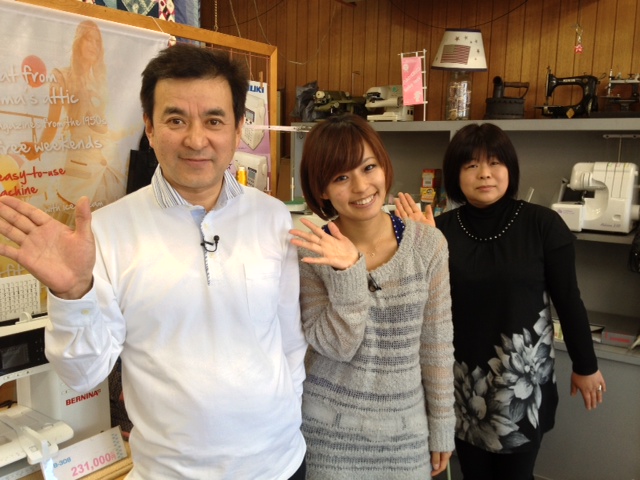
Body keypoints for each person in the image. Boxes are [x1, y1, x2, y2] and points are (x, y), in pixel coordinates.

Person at [0, 44, 307, 479]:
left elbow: (290, 342)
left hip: (279, 464)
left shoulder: (273, 217)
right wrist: (72, 293)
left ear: (240, 127)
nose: (196, 139)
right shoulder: (107, 231)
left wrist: (285, 418)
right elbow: (83, 375)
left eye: (214, 120)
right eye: (175, 120)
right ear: (149, 126)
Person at [395, 123, 606, 480]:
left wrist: (585, 365)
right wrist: (420, 247)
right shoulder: (439, 230)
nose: (485, 174)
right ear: (455, 175)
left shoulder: (543, 224)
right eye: (471, 165)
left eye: (495, 162)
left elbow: (569, 300)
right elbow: (420, 307)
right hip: (462, 382)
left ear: (510, 167)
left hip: (521, 383)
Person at [289, 114, 456, 480]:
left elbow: (436, 344)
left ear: (384, 166)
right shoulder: (309, 252)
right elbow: (337, 346)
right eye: (341, 177)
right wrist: (349, 272)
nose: (361, 186)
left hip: (405, 435)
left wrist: (443, 423)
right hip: (327, 436)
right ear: (321, 189)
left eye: (368, 167)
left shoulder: (428, 244)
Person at [23, 20, 126, 224]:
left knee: (102, 227)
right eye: (89, 39)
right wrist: (38, 148)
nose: (93, 46)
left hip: (106, 165)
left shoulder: (100, 81)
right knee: (72, 224)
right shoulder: (61, 77)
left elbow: (104, 122)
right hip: (79, 164)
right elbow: (52, 123)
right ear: (78, 42)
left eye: (97, 42)